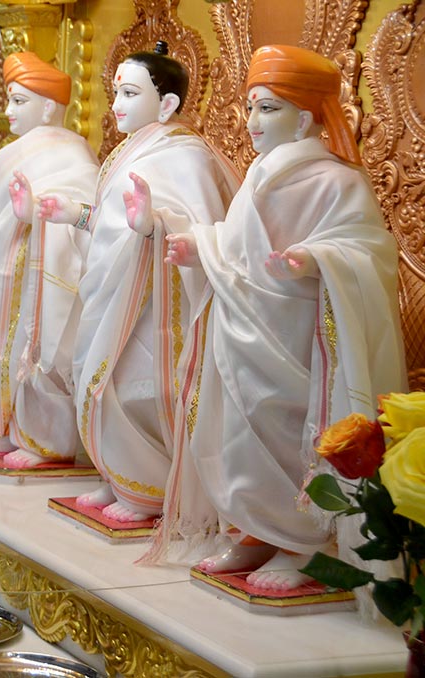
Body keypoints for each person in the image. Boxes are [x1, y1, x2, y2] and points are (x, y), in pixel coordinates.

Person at [129, 45, 406, 588]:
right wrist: (198, 247)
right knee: (238, 439)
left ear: (305, 118)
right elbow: (235, 246)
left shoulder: (337, 181)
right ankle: (254, 533)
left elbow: (367, 250)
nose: (253, 120)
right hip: (242, 329)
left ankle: (302, 545)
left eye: (269, 108)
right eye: (252, 107)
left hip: (296, 337)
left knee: (286, 438)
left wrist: (316, 258)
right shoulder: (258, 173)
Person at [18, 43, 239, 517]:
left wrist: (155, 225)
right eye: (116, 92)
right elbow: (112, 224)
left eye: (131, 93)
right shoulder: (129, 149)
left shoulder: (186, 157)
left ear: (167, 104)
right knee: (98, 382)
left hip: (154, 305)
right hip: (111, 292)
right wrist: (76, 214)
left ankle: (150, 485)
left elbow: (202, 226)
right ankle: (117, 475)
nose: (117, 104)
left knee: (138, 389)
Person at [0, 52, 99, 469]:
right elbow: (4, 209)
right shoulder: (14, 153)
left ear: (49, 107)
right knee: (5, 348)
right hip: (11, 275)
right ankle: (8, 429)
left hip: (45, 273)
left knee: (40, 351)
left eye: (19, 101)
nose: (8, 110)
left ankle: (46, 441)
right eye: (9, 100)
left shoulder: (73, 152)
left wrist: (37, 211)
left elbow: (85, 211)